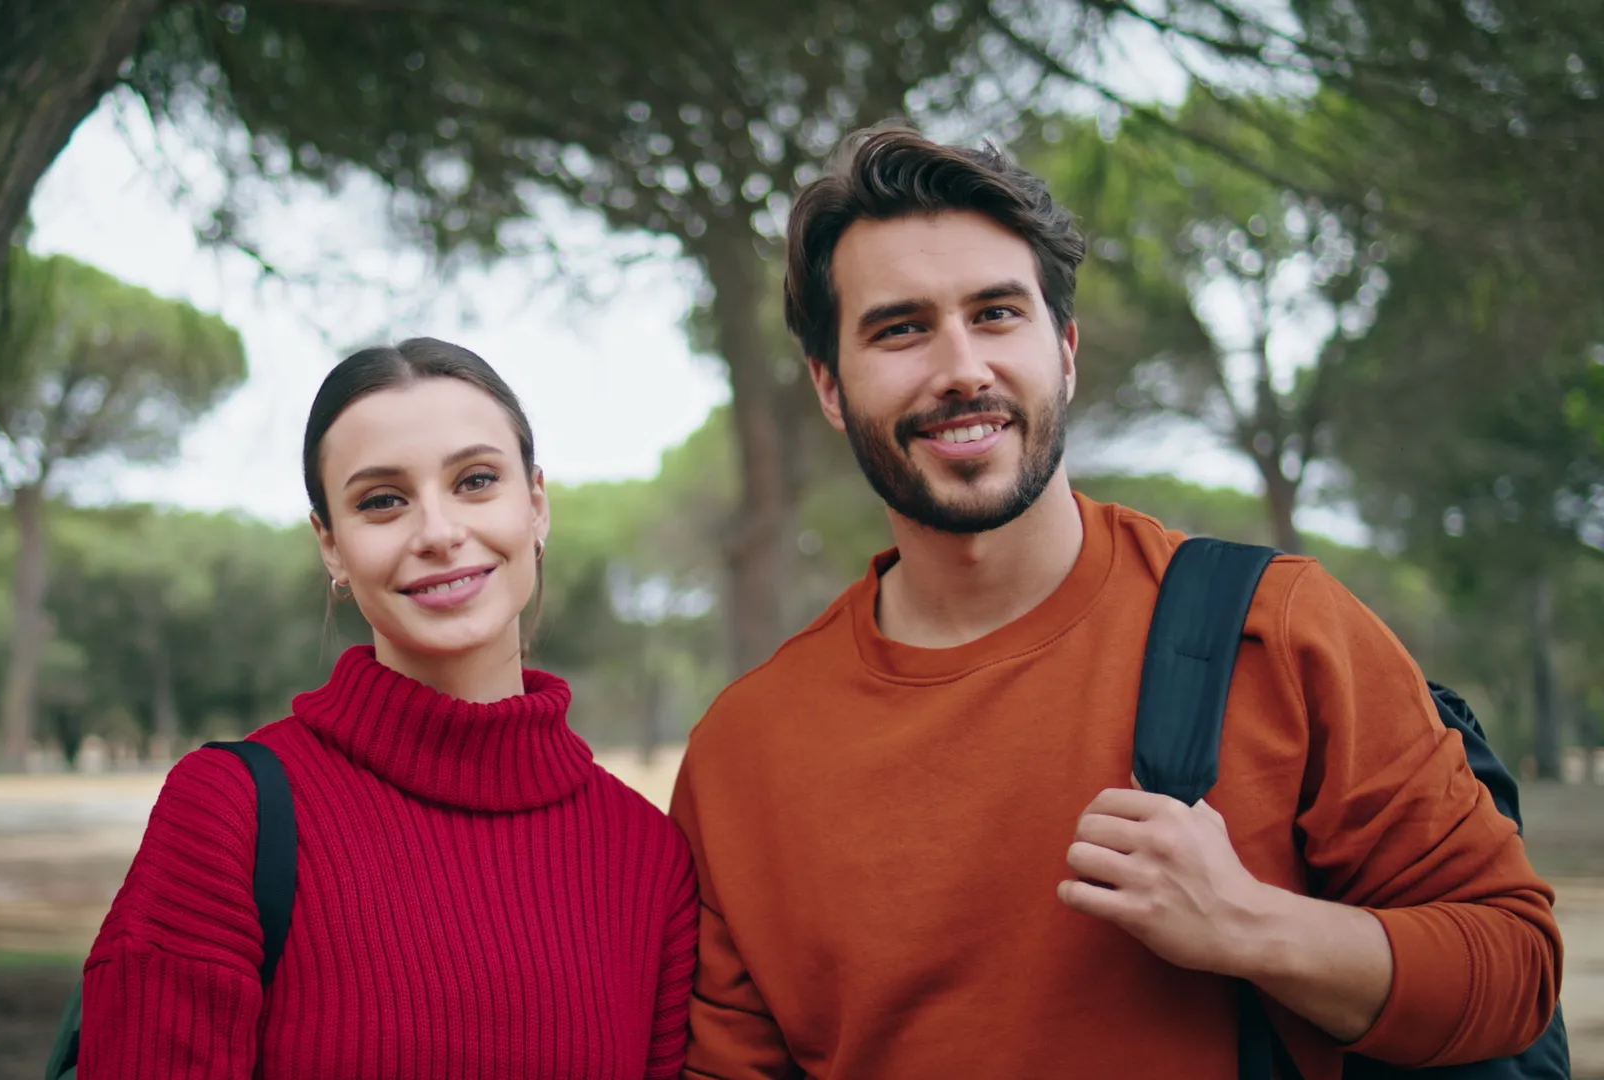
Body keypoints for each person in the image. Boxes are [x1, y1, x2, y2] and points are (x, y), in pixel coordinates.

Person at [669, 125, 1563, 1079]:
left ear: (1065, 351)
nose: (962, 366)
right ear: (830, 387)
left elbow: (1513, 970)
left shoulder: (1282, 629)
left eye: (998, 313)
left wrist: (1250, 925)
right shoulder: (744, 752)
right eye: (901, 328)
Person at [81, 338, 699, 1078]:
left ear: (536, 506)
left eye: (475, 481)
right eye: (382, 501)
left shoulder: (647, 855)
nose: (438, 533)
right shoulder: (228, 813)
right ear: (332, 546)